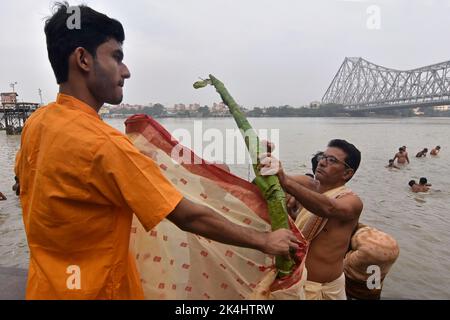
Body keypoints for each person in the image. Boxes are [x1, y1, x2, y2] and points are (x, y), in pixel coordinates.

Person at [14, 3, 299, 300]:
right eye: (116, 56)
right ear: (83, 59)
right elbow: (188, 217)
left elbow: (25, 183)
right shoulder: (104, 144)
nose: (126, 71)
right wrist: (265, 240)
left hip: (45, 289)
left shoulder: (37, 122)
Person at [260, 139, 363, 300]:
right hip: (295, 283)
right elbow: (267, 183)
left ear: (347, 173)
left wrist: (286, 182)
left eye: (332, 160)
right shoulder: (306, 184)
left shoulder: (352, 201)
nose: (322, 163)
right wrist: (264, 156)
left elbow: (329, 208)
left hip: (328, 289)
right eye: (323, 156)